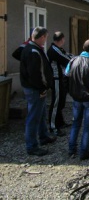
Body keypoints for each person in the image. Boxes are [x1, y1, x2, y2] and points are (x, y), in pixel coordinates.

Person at [65, 39, 89, 160]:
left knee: (75, 123)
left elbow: (66, 77)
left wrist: (71, 91)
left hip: (76, 98)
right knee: (88, 127)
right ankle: (84, 151)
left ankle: (71, 149)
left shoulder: (72, 61)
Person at [20, 27, 56, 156]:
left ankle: (43, 136)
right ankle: (32, 146)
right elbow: (36, 74)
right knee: (33, 117)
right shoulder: (33, 52)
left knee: (41, 114)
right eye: (45, 37)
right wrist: (43, 87)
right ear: (41, 37)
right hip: (35, 89)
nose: (46, 40)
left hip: (34, 88)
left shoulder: (29, 48)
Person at [47, 31, 74, 136]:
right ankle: (53, 126)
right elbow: (67, 59)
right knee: (56, 103)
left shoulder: (58, 49)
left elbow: (67, 55)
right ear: (62, 39)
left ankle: (60, 122)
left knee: (61, 102)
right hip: (56, 79)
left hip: (61, 78)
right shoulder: (54, 50)